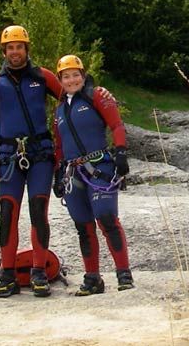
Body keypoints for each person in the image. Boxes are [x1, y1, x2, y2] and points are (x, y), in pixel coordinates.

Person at [0, 25, 62, 298]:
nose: (15, 52)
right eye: (10, 47)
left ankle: (39, 272)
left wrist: (97, 94)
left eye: (20, 47)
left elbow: (72, 96)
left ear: (27, 49)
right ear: (4, 51)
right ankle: (7, 274)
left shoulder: (43, 77)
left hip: (40, 154)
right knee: (8, 213)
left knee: (38, 210)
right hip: (8, 157)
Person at [51, 54, 134, 296]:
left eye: (76, 74)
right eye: (66, 76)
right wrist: (58, 174)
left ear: (83, 75)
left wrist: (120, 153)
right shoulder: (59, 111)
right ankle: (92, 278)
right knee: (83, 226)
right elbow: (59, 145)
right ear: (60, 80)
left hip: (100, 167)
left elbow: (117, 125)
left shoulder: (97, 95)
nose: (72, 79)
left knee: (106, 218)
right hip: (72, 172)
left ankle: (124, 274)